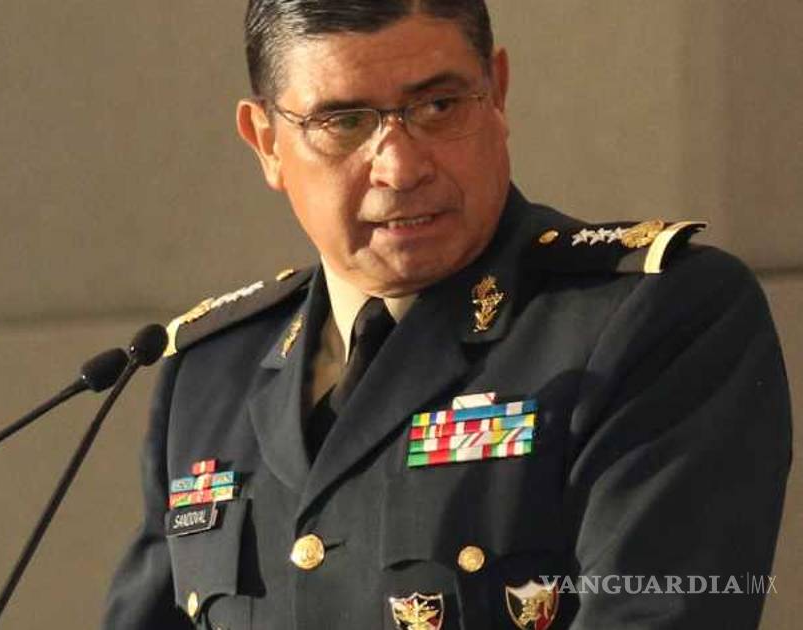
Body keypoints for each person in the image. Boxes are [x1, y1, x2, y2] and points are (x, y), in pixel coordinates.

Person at [104, 1, 792, 628]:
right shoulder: (210, 371)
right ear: (266, 143)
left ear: (498, 93)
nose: (400, 168)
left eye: (438, 106)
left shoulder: (651, 317)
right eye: (344, 122)